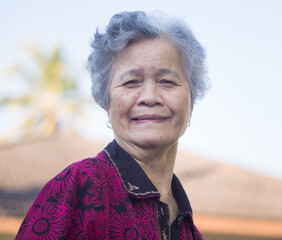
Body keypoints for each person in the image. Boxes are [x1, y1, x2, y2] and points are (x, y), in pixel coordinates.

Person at [15, 11, 209, 240]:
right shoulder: (77, 187)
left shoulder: (191, 232)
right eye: (131, 82)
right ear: (106, 101)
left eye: (167, 81)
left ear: (192, 100)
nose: (149, 96)